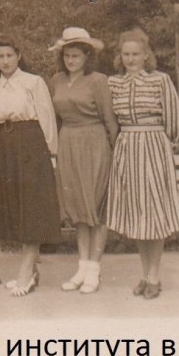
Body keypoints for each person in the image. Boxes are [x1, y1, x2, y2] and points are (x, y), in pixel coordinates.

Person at [106, 28, 179, 300]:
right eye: (126, 54)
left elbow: (176, 120)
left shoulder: (159, 81)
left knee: (153, 213)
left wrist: (170, 145)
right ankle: (144, 274)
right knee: (137, 215)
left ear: (145, 55)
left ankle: (154, 276)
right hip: (127, 150)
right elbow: (110, 121)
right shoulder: (113, 84)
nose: (130, 59)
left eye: (136, 54)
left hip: (153, 148)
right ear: (120, 56)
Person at [0, 35, 62, 297]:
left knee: (31, 206)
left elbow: (47, 119)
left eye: (9, 55)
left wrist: (50, 154)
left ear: (18, 56)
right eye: (0, 57)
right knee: (16, 206)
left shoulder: (33, 82)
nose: (5, 61)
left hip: (31, 144)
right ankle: (32, 268)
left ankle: (26, 271)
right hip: (6, 147)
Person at [48, 27, 119, 294]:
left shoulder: (99, 81)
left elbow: (109, 120)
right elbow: (55, 118)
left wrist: (115, 151)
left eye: (76, 55)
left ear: (87, 56)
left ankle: (94, 270)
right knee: (78, 208)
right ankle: (81, 268)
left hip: (94, 143)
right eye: (67, 55)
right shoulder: (55, 80)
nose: (71, 60)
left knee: (96, 207)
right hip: (68, 142)